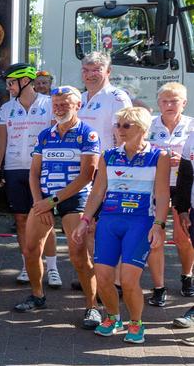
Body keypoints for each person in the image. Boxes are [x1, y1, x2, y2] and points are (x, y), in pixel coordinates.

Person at [72, 107, 167, 345]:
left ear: (142, 129)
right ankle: (113, 318)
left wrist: (159, 225)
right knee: (103, 276)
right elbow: (96, 192)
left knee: (128, 279)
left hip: (140, 222)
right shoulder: (109, 155)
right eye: (118, 125)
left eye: (127, 126)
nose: (120, 130)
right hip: (110, 221)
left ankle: (136, 322)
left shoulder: (160, 156)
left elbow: (163, 195)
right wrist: (85, 220)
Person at [17, 86, 101, 331]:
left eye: (65, 104)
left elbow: (87, 176)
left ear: (77, 106)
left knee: (79, 256)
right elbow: (33, 173)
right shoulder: (45, 134)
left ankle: (92, 306)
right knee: (31, 249)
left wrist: (52, 202)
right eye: (56, 104)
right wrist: (38, 202)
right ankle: (37, 295)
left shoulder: (88, 133)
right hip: (43, 198)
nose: (59, 108)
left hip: (74, 199)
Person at [0, 63, 61, 286]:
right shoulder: (6, 108)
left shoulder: (49, 105)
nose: (8, 87)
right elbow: (1, 140)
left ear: (25, 82)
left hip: (41, 170)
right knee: (21, 219)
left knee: (45, 219)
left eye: (11, 83)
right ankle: (27, 263)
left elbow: (54, 138)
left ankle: (52, 268)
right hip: (14, 168)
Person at [147, 82, 194, 306]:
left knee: (182, 238)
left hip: (182, 187)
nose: (169, 105)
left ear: (183, 103)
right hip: (156, 186)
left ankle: (187, 277)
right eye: (164, 101)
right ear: (158, 103)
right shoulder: (149, 125)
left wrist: (182, 162)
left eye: (174, 101)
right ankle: (159, 287)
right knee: (155, 238)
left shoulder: (192, 127)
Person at [78, 51, 132, 148]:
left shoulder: (117, 98)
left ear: (108, 71)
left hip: (104, 160)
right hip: (80, 159)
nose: (90, 75)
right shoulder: (80, 97)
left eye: (96, 70)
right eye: (85, 70)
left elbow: (123, 137)